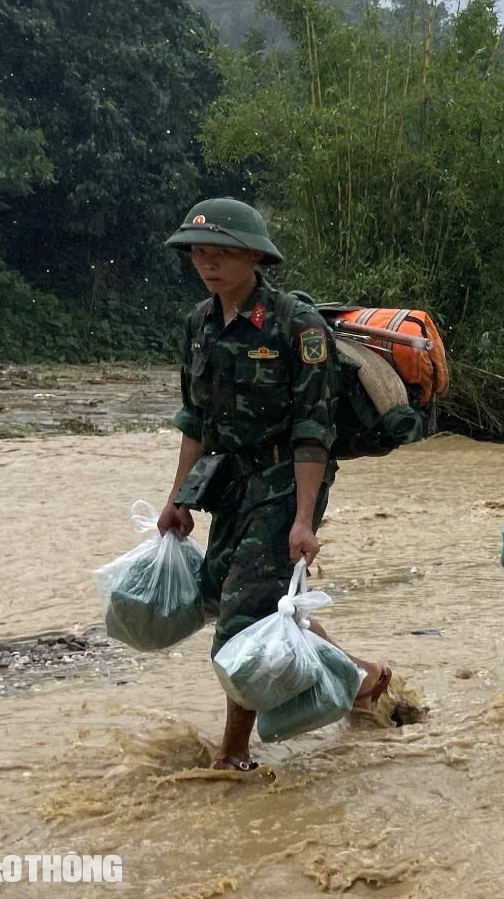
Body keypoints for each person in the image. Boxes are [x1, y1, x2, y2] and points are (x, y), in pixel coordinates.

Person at [156, 198, 390, 773]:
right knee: (229, 594)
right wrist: (178, 497)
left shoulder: (296, 326)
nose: (208, 264)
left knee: (243, 614)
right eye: (198, 254)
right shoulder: (198, 324)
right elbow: (194, 419)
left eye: (222, 253)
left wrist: (304, 519)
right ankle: (360, 676)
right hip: (229, 482)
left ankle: (233, 755)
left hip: (288, 479)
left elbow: (315, 430)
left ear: (254, 256)